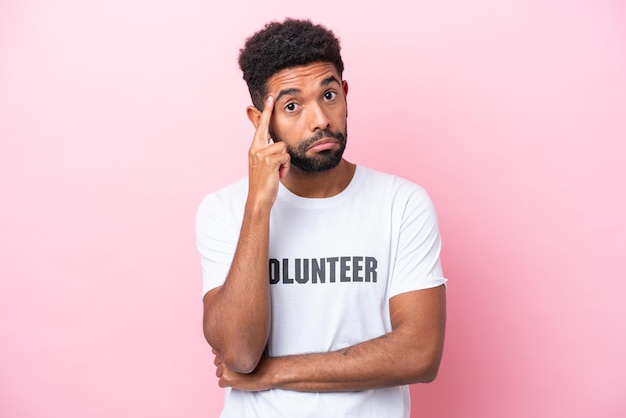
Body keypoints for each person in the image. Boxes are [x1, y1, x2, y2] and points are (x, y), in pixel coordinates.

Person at [196, 18, 447, 418]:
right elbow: (239, 354)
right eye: (292, 106)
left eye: (329, 95)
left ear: (345, 94)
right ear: (259, 119)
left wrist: (272, 373)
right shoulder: (224, 210)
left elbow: (419, 353)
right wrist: (259, 206)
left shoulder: (402, 204)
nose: (320, 119)